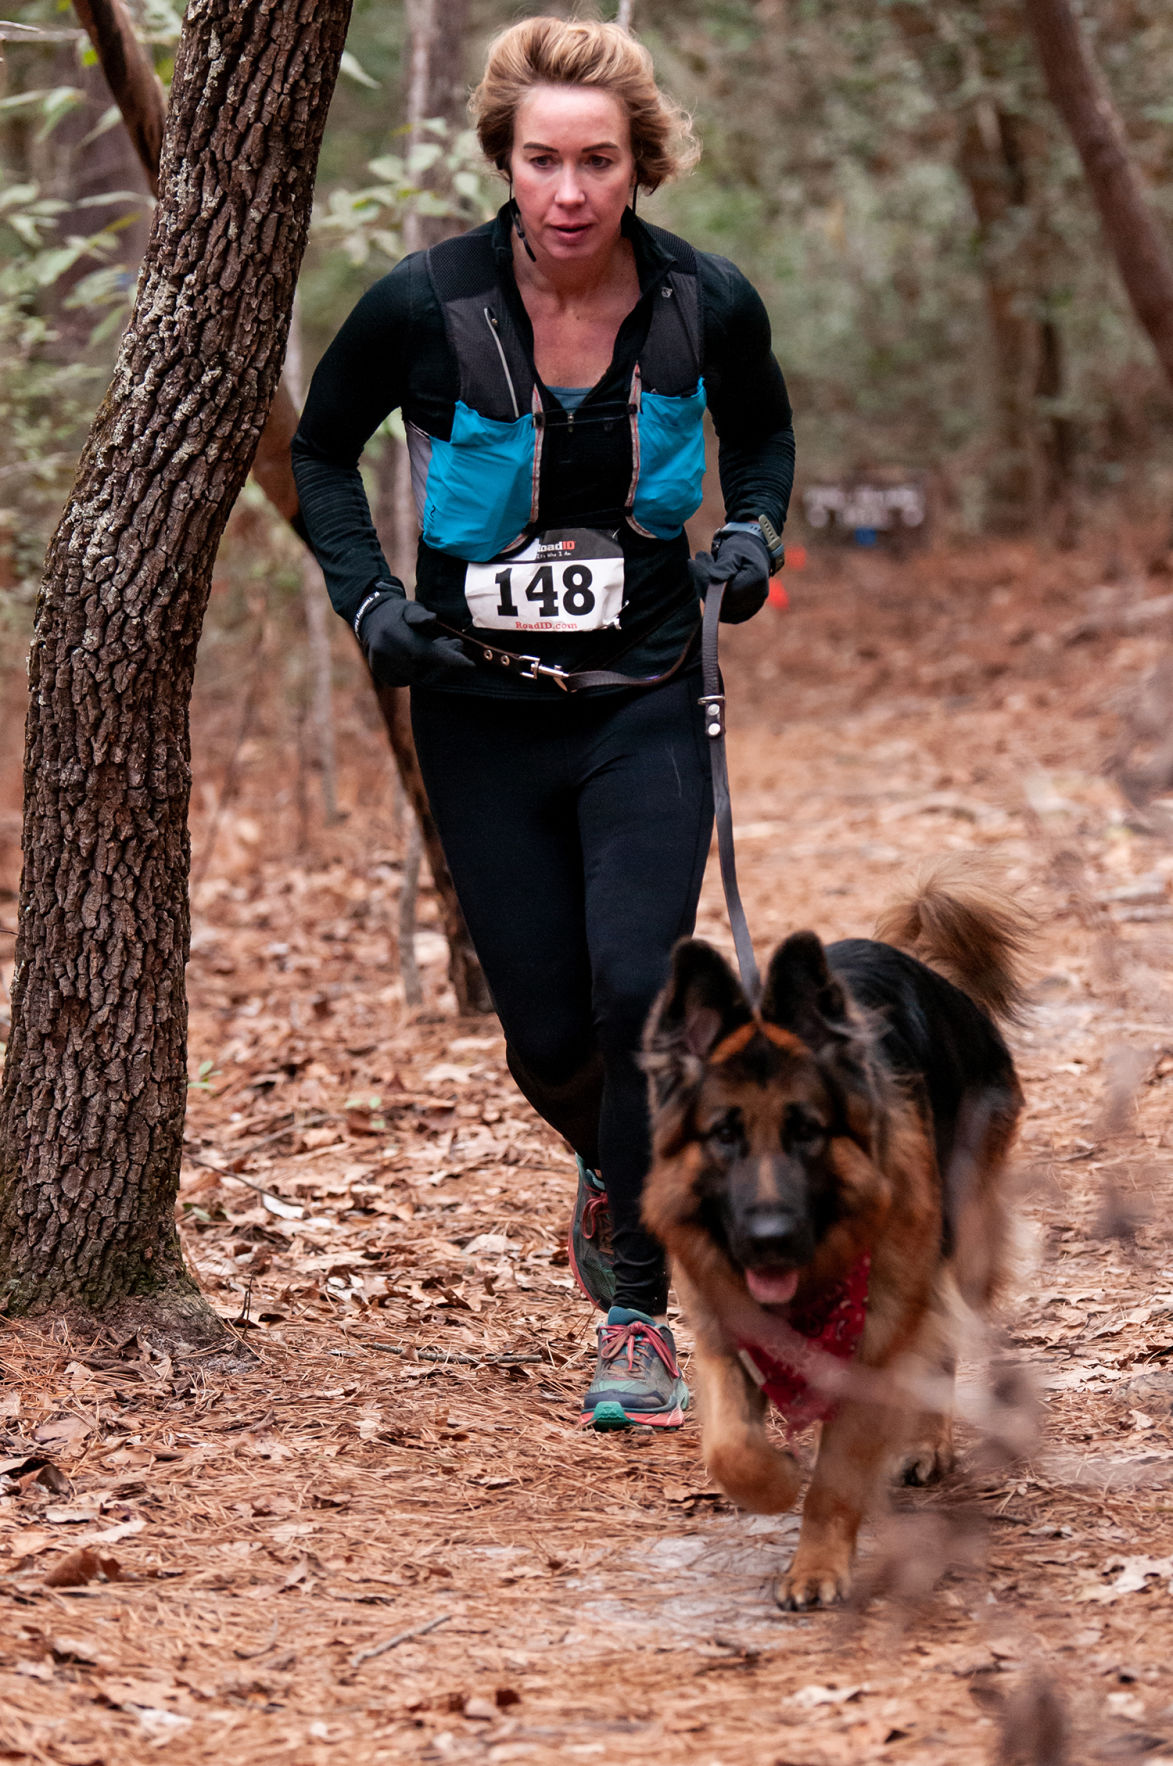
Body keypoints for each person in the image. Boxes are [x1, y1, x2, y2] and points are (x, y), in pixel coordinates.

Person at [292, 17, 794, 1430]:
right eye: (540, 162)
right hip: (477, 707)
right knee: (542, 1038)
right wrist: (369, 600)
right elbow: (325, 451)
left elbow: (762, 437)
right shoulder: (421, 306)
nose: (567, 194)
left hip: (643, 699)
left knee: (640, 984)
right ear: (501, 162)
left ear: (641, 166)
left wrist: (751, 533)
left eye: (596, 162)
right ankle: (617, 1168)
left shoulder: (708, 301)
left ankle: (639, 1303)